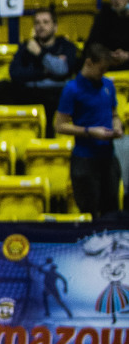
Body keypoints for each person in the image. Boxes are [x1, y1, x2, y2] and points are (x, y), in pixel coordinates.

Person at [54, 43, 124, 216]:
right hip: (85, 159)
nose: (103, 73)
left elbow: (114, 114)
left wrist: (117, 126)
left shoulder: (108, 85)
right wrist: (89, 132)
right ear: (89, 63)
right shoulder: (71, 89)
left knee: (111, 212)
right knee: (89, 213)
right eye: (101, 69)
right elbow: (60, 125)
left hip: (108, 158)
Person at [0, 8, 78, 118]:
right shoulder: (26, 47)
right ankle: (12, 125)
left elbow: (63, 71)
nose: (41, 26)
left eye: (46, 22)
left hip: (55, 93)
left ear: (55, 27)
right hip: (31, 91)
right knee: (2, 86)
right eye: (37, 23)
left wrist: (40, 53)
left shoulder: (66, 46)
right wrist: (44, 72)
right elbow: (14, 73)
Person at [86, 0, 129, 71]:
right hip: (108, 67)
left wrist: (127, 55)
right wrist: (108, 55)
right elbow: (92, 45)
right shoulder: (103, 17)